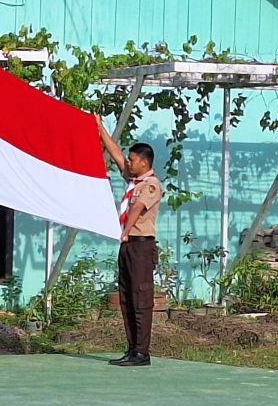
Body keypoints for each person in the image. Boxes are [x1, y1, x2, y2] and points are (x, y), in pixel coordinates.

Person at [96, 115, 162, 367]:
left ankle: (142, 352)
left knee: (141, 298)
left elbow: (137, 208)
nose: (128, 162)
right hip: (128, 245)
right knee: (127, 297)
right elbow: (115, 155)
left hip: (141, 246)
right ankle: (132, 348)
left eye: (132, 160)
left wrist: (125, 230)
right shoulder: (134, 181)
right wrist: (100, 129)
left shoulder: (151, 185)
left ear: (144, 163)